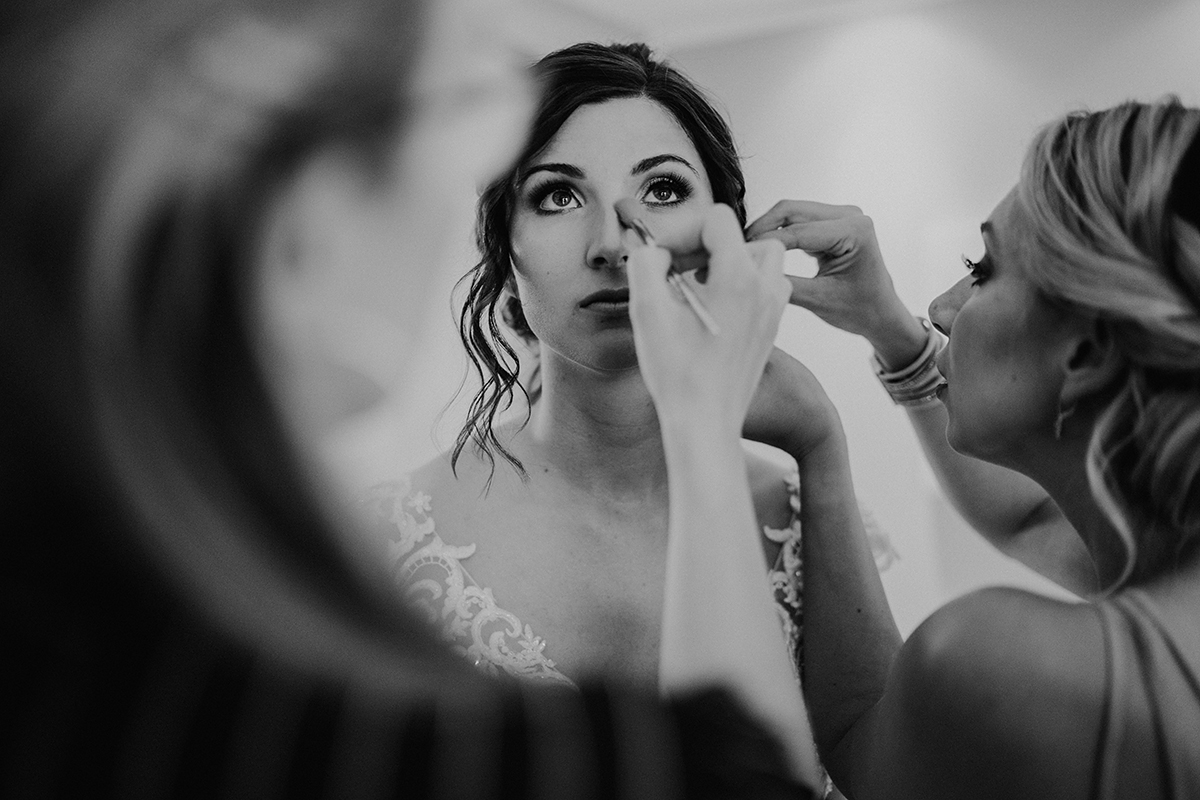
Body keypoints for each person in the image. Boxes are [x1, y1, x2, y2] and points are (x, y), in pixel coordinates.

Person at [0, 1, 816, 796]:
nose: (615, 241)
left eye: (663, 190)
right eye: (462, 109)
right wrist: (705, 429)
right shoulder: (369, 691)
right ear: (315, 212)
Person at [743, 97, 1200, 798]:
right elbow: (1029, 519)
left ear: (1089, 353)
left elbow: (862, 733)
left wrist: (818, 439)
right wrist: (890, 332)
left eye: (983, 269)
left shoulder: (1001, 667)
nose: (940, 308)